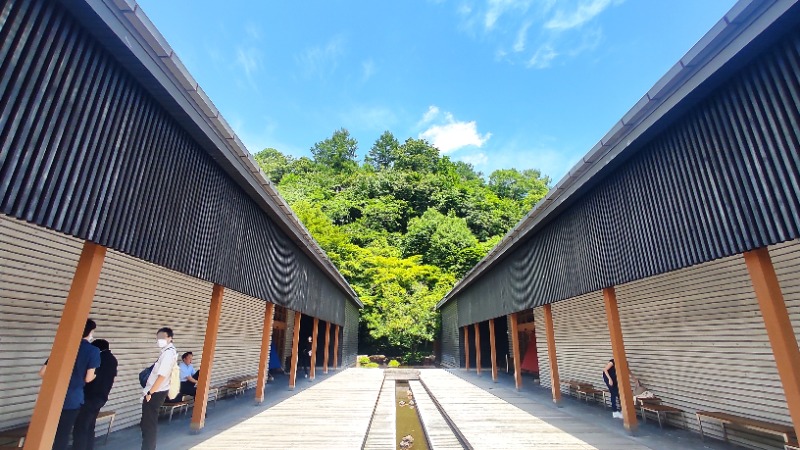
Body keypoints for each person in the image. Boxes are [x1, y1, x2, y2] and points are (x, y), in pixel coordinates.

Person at [38, 319, 101, 450]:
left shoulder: (63, 346)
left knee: (45, 432)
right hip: (72, 398)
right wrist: (94, 376)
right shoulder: (93, 351)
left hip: (52, 396)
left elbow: (43, 372)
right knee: (62, 434)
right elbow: (89, 378)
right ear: (89, 332)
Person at [73, 339, 118, 450]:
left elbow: (90, 377)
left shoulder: (98, 358)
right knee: (90, 426)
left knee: (81, 427)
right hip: (101, 397)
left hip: (89, 397)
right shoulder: (112, 359)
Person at [141, 327, 177, 450]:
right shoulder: (168, 352)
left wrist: (150, 392)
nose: (159, 340)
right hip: (157, 391)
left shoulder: (168, 353)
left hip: (156, 392)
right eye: (158, 337)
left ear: (170, 338)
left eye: (163, 337)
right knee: (147, 423)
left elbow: (162, 376)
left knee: (148, 424)